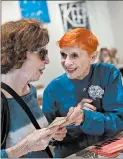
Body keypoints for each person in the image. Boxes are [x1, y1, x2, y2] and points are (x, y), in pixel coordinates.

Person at [42, 28, 123, 158]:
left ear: (92, 57)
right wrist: (55, 135)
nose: (67, 62)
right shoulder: (52, 89)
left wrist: (86, 117)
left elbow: (119, 122)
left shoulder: (108, 73)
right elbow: (47, 135)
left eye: (74, 55)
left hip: (109, 150)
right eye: (63, 55)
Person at [1, 19, 67, 158]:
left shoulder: (30, 91)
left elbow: (35, 143)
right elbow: (26, 145)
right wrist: (24, 147)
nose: (47, 60)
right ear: (18, 54)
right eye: (42, 53)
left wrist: (51, 136)